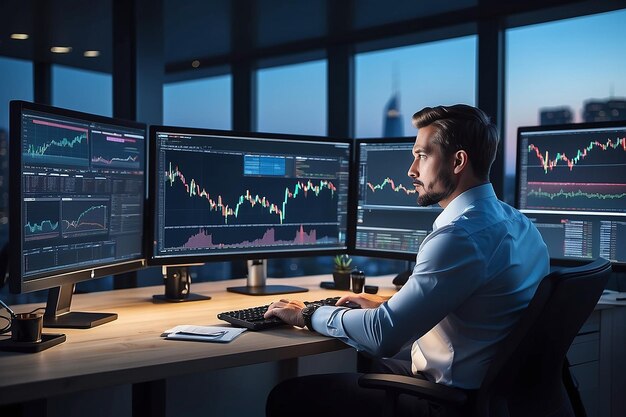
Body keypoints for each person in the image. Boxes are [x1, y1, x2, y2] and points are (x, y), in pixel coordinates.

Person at [264, 104, 549, 417]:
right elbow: (478, 310)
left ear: (458, 161)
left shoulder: (460, 237)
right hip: (496, 397)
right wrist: (384, 306)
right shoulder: (520, 225)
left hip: (448, 402)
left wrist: (308, 314)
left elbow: (382, 336)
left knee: (289, 396)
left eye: (423, 155)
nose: (412, 170)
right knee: (368, 364)